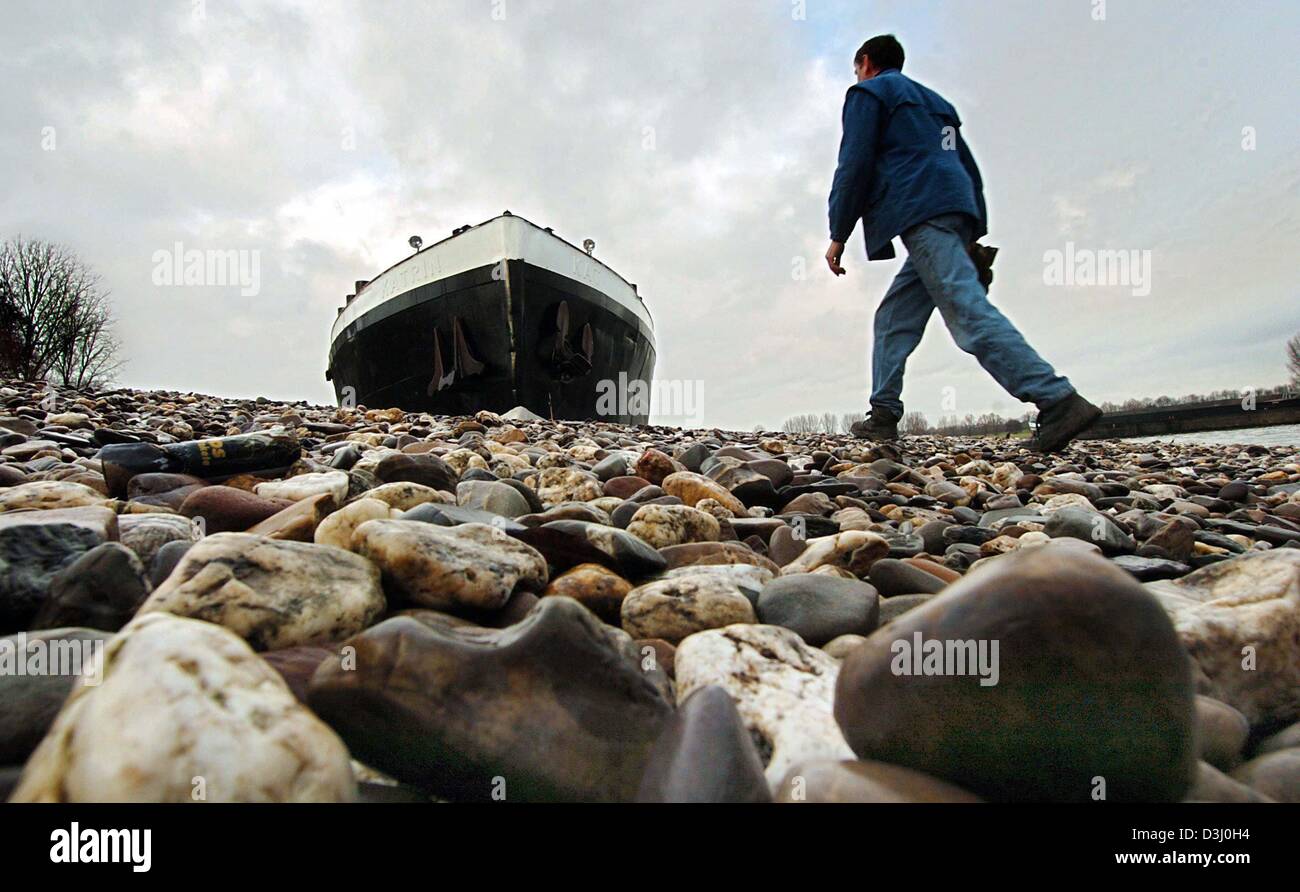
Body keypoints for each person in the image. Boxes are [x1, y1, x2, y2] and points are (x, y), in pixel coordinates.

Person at [826, 34, 1101, 452]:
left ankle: (1056, 399)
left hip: (919, 209)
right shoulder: (937, 103)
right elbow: (966, 166)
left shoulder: (869, 93)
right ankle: (883, 413)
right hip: (954, 207)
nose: (856, 74)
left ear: (865, 62)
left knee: (965, 308)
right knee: (894, 317)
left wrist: (838, 232)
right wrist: (974, 227)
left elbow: (855, 161)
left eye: (856, 67)